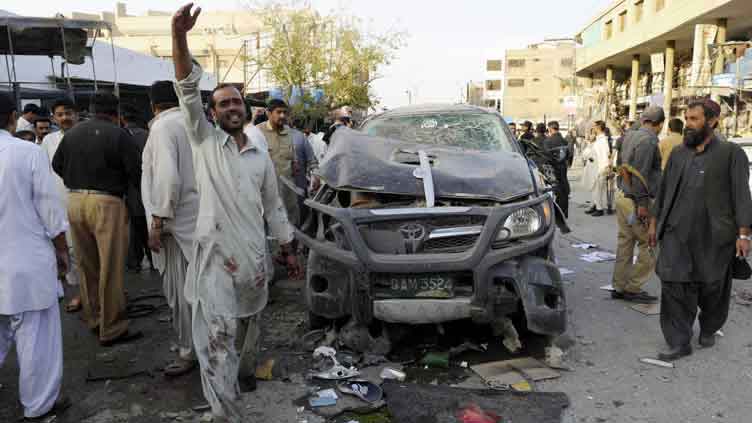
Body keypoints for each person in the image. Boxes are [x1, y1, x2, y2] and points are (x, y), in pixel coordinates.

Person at [171, 5, 302, 422]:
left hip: (253, 261)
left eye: (236, 102)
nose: (231, 107)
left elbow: (273, 205)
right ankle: (224, 412)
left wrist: (288, 248)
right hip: (214, 262)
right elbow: (186, 89)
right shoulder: (204, 142)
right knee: (216, 340)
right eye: (223, 103)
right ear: (211, 113)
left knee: (246, 333)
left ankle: (234, 390)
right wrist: (178, 36)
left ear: (246, 110)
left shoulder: (259, 152)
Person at [649, 101, 752, 361]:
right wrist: (654, 223)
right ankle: (679, 341)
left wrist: (743, 234)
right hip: (676, 234)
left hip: (714, 238)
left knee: (712, 288)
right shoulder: (678, 154)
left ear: (713, 120)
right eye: (686, 118)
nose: (688, 124)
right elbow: (663, 191)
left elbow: (742, 195)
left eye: (694, 118)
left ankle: (709, 327)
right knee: (673, 286)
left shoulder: (731, 154)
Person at [0, 92, 71, 421]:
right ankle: (39, 406)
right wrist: (62, 251)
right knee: (36, 337)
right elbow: (49, 208)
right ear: (12, 117)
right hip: (25, 262)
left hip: (13, 264)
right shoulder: (26, 152)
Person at [52, 92, 143, 346]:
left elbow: (57, 164)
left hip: (75, 201)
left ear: (91, 110)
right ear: (116, 113)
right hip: (107, 202)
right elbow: (136, 172)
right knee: (111, 267)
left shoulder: (72, 134)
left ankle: (94, 318)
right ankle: (112, 327)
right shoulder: (119, 134)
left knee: (86, 264)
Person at [141, 80, 199, 377]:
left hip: (175, 227)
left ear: (153, 106)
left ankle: (190, 352)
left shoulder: (163, 128)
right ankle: (200, 346)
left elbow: (167, 178)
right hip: (195, 223)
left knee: (181, 294)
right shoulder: (192, 122)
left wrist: (157, 221)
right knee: (198, 291)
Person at [612, 106, 664, 304]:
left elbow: (622, 166)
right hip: (636, 200)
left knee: (625, 243)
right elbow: (640, 174)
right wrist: (642, 204)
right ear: (659, 124)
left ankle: (619, 285)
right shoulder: (648, 140)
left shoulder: (628, 135)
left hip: (624, 196)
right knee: (649, 243)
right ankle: (632, 287)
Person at [40, 98, 82, 313]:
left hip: (84, 199)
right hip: (59, 201)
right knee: (69, 250)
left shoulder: (85, 135)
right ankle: (79, 294)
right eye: (60, 114)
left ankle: (100, 292)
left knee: (91, 249)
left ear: (77, 114)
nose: (65, 117)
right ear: (54, 118)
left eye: (69, 113)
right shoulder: (48, 140)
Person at [256, 99, 315, 228]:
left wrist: (295, 163)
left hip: (289, 192)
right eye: (279, 112)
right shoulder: (257, 132)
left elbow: (292, 156)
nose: (282, 116)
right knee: (270, 230)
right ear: (268, 113)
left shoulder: (289, 133)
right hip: (266, 193)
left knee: (292, 227)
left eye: (285, 112)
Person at [121, 105, 155, 273]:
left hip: (129, 189)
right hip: (149, 187)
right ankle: (153, 258)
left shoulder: (122, 136)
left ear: (123, 120)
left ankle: (134, 262)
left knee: (134, 228)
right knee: (146, 225)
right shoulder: (149, 135)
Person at [543, 121, 571, 217]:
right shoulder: (565, 141)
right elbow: (568, 156)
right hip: (563, 168)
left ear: (550, 128)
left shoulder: (548, 141)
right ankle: (564, 213)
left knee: (552, 191)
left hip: (552, 169)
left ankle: (553, 214)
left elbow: (546, 157)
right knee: (563, 190)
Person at [583, 121, 610, 216]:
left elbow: (604, 156)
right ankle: (594, 205)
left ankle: (599, 208)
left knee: (598, 189)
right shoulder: (597, 140)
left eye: (594, 126)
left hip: (598, 168)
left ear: (598, 128)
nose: (593, 128)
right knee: (594, 189)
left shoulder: (602, 141)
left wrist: (603, 169)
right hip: (593, 167)